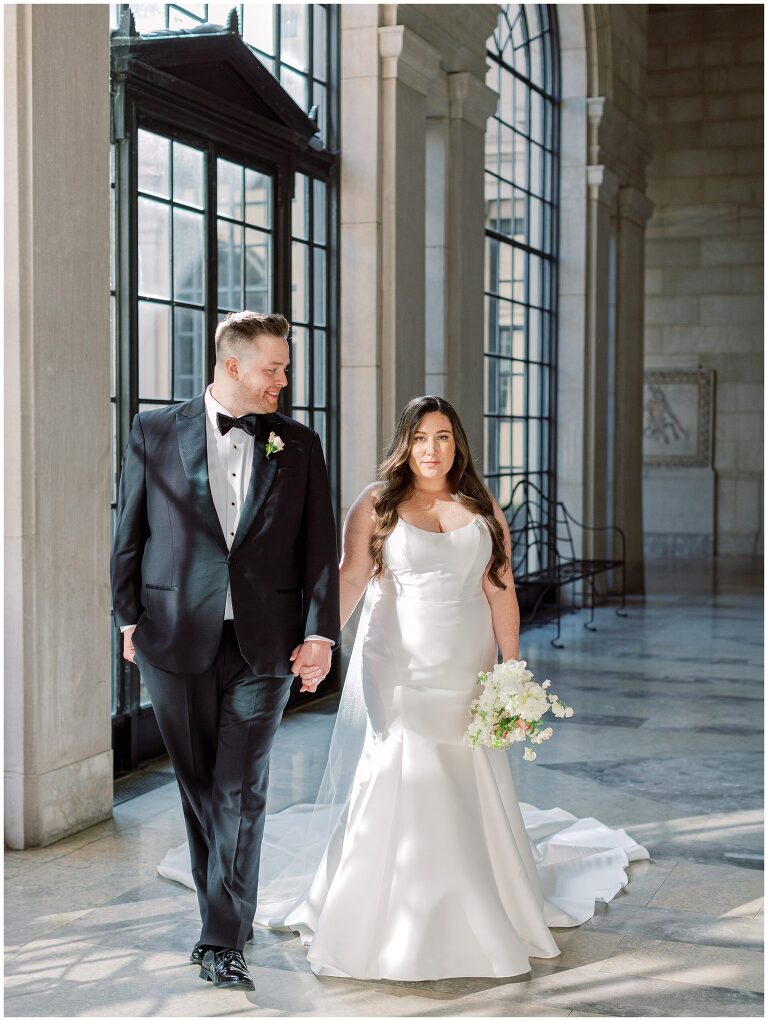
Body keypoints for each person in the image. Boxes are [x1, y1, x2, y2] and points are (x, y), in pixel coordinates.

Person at [158, 394, 649, 982]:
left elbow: (501, 590)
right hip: (397, 663)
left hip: (466, 664)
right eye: (420, 438)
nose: (432, 450)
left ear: (457, 444)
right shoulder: (377, 504)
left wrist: (512, 671)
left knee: (467, 769)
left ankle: (477, 895)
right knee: (406, 763)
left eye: (442, 437)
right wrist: (317, 642)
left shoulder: (482, 506)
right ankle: (392, 908)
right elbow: (349, 579)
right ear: (404, 444)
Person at [111, 310, 339, 991]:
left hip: (263, 645)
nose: (284, 380)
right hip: (172, 636)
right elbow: (129, 528)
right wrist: (126, 619)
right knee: (201, 787)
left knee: (240, 788)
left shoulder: (297, 445)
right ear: (233, 366)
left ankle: (222, 937)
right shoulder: (154, 431)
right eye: (274, 367)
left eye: (286, 367)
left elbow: (319, 547)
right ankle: (223, 922)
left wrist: (320, 632)